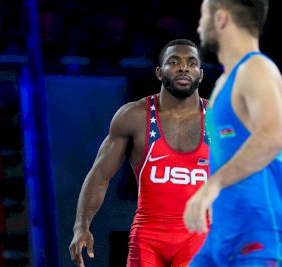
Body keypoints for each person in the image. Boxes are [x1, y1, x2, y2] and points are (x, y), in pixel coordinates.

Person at [69, 39, 210, 267]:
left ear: (201, 74)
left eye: (191, 63)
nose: (184, 67)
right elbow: (99, 176)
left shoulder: (219, 119)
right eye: (174, 62)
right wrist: (81, 226)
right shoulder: (133, 117)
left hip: (197, 236)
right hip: (148, 238)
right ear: (158, 72)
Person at [183, 0, 282, 266]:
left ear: (221, 19)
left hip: (261, 241)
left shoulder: (257, 69)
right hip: (220, 239)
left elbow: (273, 137)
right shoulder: (224, 83)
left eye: (204, 16)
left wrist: (211, 186)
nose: (199, 25)